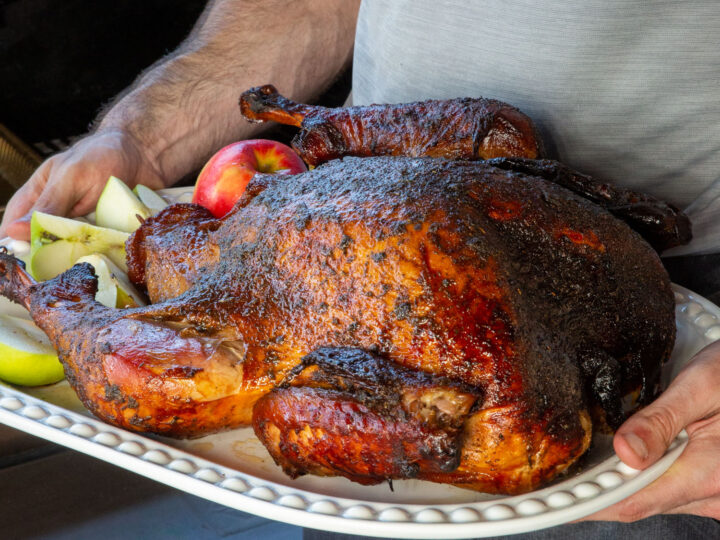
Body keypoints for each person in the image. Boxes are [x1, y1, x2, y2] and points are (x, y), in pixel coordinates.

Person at [3, 0, 720, 537]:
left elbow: (178, 385)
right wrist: (139, 137)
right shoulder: (269, 229)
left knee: (252, 406)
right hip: (629, 269)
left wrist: (48, 296)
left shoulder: (235, 282)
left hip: (695, 367)